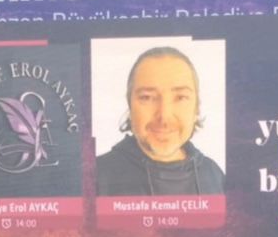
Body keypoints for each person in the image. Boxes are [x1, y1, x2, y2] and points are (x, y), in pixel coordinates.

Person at [95, 45, 225, 196]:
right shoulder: (93, 178)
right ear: (130, 106)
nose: (164, 116)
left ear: (196, 107)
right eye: (147, 97)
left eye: (180, 97)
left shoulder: (214, 176)